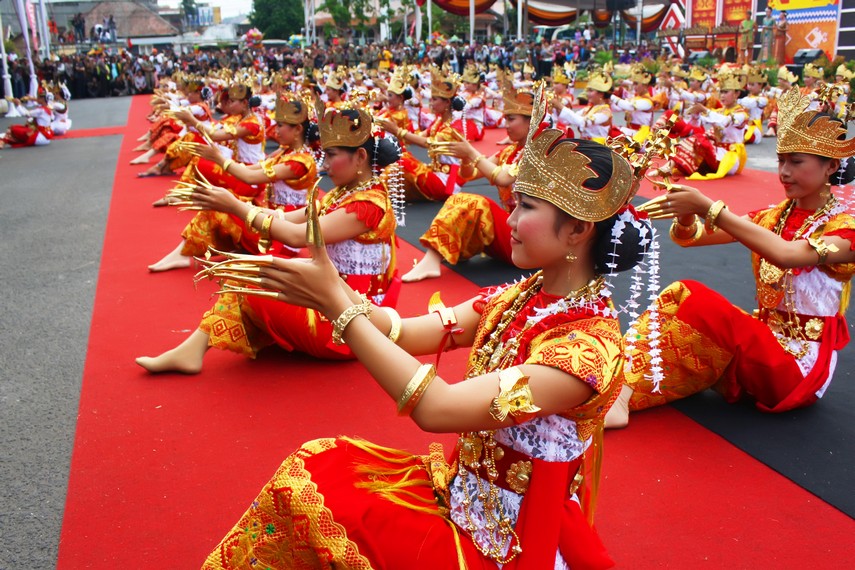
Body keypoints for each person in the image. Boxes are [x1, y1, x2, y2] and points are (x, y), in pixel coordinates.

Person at [200, 83, 656, 570]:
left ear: (580, 230)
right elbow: (410, 332)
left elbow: (437, 409)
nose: (511, 217)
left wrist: (337, 305)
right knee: (316, 464)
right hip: (464, 497)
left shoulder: (586, 350)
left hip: (508, 542)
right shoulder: (522, 296)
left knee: (313, 485)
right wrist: (334, 290)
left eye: (526, 207)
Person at [607, 87, 855, 428]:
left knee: (695, 298)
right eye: (781, 160)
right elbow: (690, 238)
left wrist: (708, 207)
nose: (783, 171)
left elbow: (787, 255)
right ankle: (610, 377)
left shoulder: (847, 230)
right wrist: (685, 214)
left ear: (831, 166)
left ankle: (620, 393)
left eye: (796, 162)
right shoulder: (774, 217)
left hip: (797, 369)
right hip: (764, 344)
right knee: (678, 302)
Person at [136, 105, 401, 372]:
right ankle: (192, 350)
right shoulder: (343, 194)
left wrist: (236, 206)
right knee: (255, 269)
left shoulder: (368, 205)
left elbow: (298, 236)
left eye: (331, 155)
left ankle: (191, 351)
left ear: (361, 156)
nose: (325, 164)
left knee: (251, 275)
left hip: (350, 324)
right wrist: (236, 204)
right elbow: (288, 218)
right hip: (334, 300)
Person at [146, 93, 319, 272]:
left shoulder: (299, 163)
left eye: (281, 126)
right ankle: (184, 251)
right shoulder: (285, 153)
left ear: (297, 129)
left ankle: (185, 253)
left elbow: (250, 177)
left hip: (282, 234)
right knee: (220, 203)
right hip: (271, 219)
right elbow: (252, 170)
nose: (275, 131)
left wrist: (220, 159)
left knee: (221, 210)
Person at [401, 73, 533, 282]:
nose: (505, 125)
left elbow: (504, 178)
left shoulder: (537, 154)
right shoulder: (509, 152)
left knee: (473, 203)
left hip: (530, 239)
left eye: (511, 119)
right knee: (459, 200)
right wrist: (464, 158)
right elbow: (469, 174)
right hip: (512, 228)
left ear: (530, 122)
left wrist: (470, 152)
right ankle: (435, 256)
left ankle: (435, 258)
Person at [382, 65, 466, 201]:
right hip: (435, 172)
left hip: (447, 183)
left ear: (447, 103)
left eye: (434, 100)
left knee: (403, 161)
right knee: (400, 158)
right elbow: (421, 136)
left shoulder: (453, 127)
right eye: (431, 99)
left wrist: (398, 131)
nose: (430, 103)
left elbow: (428, 143)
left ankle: (377, 191)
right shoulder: (439, 121)